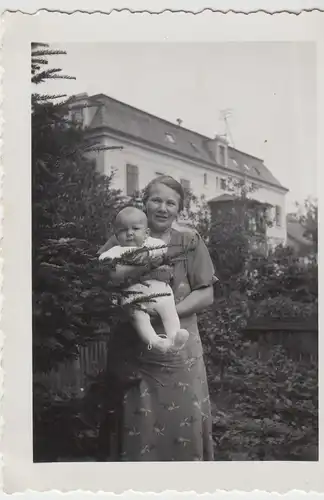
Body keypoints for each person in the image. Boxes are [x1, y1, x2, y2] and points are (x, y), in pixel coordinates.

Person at [101, 175, 217, 461]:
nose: (162, 208)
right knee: (137, 424)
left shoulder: (189, 241)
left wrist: (165, 311)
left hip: (180, 354)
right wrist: (143, 269)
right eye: (156, 200)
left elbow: (206, 294)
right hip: (134, 352)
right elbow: (105, 277)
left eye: (170, 202)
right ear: (144, 203)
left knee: (184, 425)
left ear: (180, 209)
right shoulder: (124, 235)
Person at [99, 206, 189, 353]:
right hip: (133, 295)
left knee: (169, 309)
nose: (129, 233)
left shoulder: (150, 244)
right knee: (139, 318)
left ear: (146, 233)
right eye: (123, 230)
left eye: (135, 229)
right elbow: (103, 262)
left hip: (158, 290)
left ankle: (175, 337)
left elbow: (162, 248)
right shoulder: (115, 250)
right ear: (116, 236)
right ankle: (155, 342)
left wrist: (148, 254)